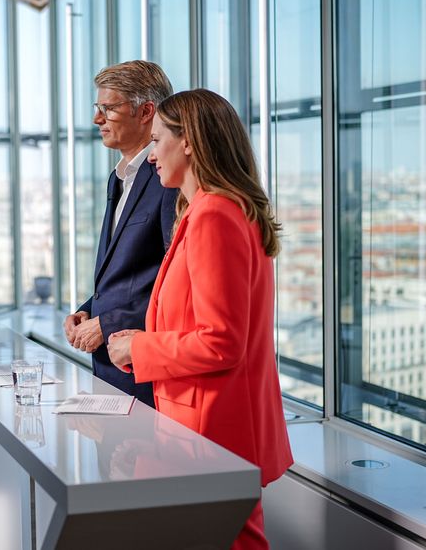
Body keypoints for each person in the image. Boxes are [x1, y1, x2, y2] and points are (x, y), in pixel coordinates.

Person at [106, 89, 293, 549]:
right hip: (207, 428)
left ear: (188, 141)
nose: (151, 157)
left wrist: (137, 349)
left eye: (157, 140)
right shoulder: (214, 211)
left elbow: (221, 341)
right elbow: (208, 322)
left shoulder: (214, 216)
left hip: (211, 432)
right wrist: (146, 335)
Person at [63, 60, 178, 407]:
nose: (97, 119)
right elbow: (124, 272)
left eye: (108, 109)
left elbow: (175, 286)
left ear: (146, 112)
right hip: (109, 367)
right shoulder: (119, 177)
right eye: (98, 108)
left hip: (144, 373)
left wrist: (109, 323)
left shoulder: (168, 181)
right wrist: (88, 311)